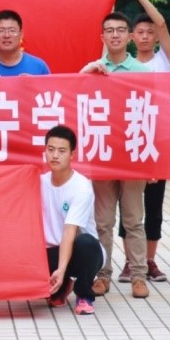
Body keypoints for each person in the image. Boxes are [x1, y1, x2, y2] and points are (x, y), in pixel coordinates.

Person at [80, 10, 151, 299]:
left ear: (130, 36)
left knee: (133, 220)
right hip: (102, 154)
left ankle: (138, 276)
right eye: (109, 30)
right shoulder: (94, 70)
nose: (115, 35)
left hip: (132, 156)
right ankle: (102, 274)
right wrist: (85, 73)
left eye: (121, 30)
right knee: (103, 222)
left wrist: (152, 162)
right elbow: (73, 99)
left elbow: (153, 116)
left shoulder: (143, 73)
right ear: (102, 37)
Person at [117, 0, 170, 283]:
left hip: (158, 141)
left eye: (149, 32)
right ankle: (131, 261)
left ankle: (149, 260)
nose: (144, 36)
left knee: (154, 204)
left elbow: (162, 22)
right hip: (129, 141)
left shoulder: (165, 61)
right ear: (131, 37)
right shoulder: (123, 64)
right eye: (139, 32)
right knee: (129, 205)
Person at [40, 125, 105, 315]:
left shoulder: (81, 187)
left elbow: (70, 231)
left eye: (62, 151)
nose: (55, 155)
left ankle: (84, 295)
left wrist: (61, 269)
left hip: (82, 252)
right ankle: (62, 285)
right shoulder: (39, 182)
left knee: (86, 243)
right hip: (52, 250)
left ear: (72, 155)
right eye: (51, 149)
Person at [0, 10, 51, 77]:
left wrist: (34, 85)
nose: (7, 35)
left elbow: (49, 92)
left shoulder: (39, 67)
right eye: (1, 31)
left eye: (12, 31)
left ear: (21, 34)